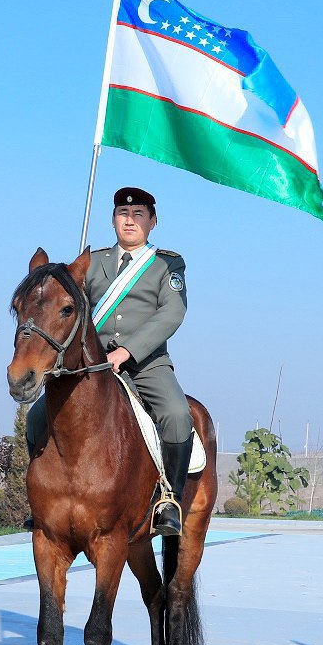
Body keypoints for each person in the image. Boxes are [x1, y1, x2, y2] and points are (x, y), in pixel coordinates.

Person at [85, 185, 193, 537]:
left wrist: (127, 350)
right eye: (123, 214)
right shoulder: (92, 261)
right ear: (113, 219)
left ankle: (170, 501)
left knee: (177, 414)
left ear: (152, 222)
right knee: (41, 415)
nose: (129, 221)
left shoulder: (167, 263)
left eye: (138, 215)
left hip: (147, 364)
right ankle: (41, 502)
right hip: (94, 364)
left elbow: (172, 313)